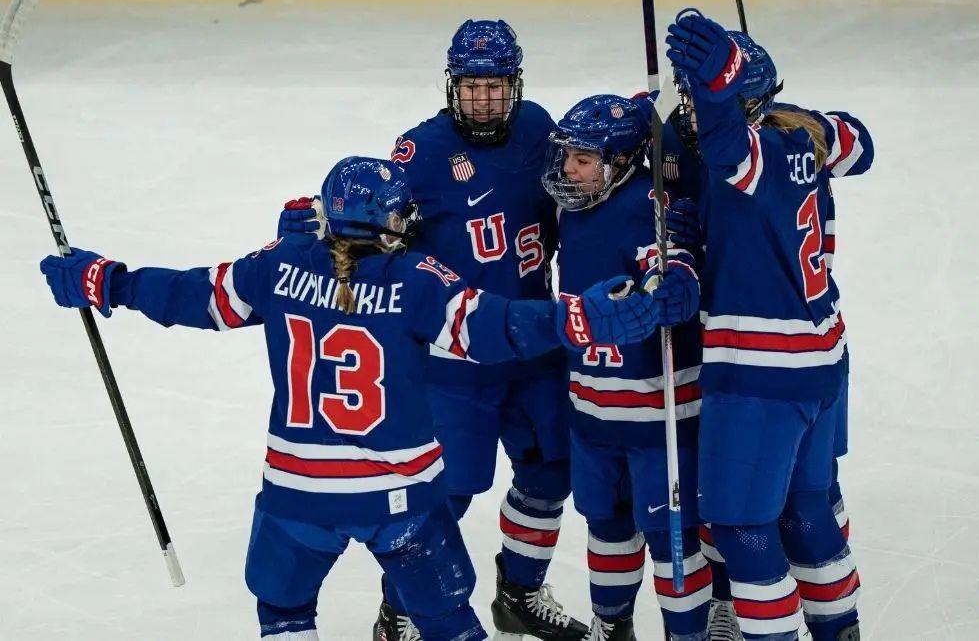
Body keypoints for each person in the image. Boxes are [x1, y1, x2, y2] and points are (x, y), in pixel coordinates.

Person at [39, 157, 662, 641]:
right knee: (448, 617)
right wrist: (580, 320)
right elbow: (495, 328)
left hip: (297, 494)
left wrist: (105, 280)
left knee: (283, 606)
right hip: (399, 498)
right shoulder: (417, 278)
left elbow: (187, 296)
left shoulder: (278, 265)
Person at [281, 20, 585, 641]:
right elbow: (373, 223)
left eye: (495, 87)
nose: (483, 100)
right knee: (448, 491)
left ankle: (520, 593)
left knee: (551, 473)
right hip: (452, 357)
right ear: (452, 86)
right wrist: (314, 234)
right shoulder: (418, 152)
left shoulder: (540, 131)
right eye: (471, 88)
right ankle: (402, 609)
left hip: (532, 340)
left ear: (515, 84)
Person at [663, 10, 874, 641]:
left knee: (740, 528)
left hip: (761, 372)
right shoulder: (805, 138)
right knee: (806, 508)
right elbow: (859, 140)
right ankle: (841, 632)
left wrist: (718, 83)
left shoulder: (747, 163)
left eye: (699, 94)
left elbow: (726, 145)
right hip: (823, 358)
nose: (692, 109)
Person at [542, 94, 709, 641]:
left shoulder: (648, 207)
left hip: (656, 418)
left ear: (618, 163)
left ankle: (689, 633)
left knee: (669, 536)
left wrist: (675, 291)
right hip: (591, 414)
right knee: (607, 526)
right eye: (568, 155)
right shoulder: (572, 208)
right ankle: (611, 627)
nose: (569, 169)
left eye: (584, 160)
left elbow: (678, 271)